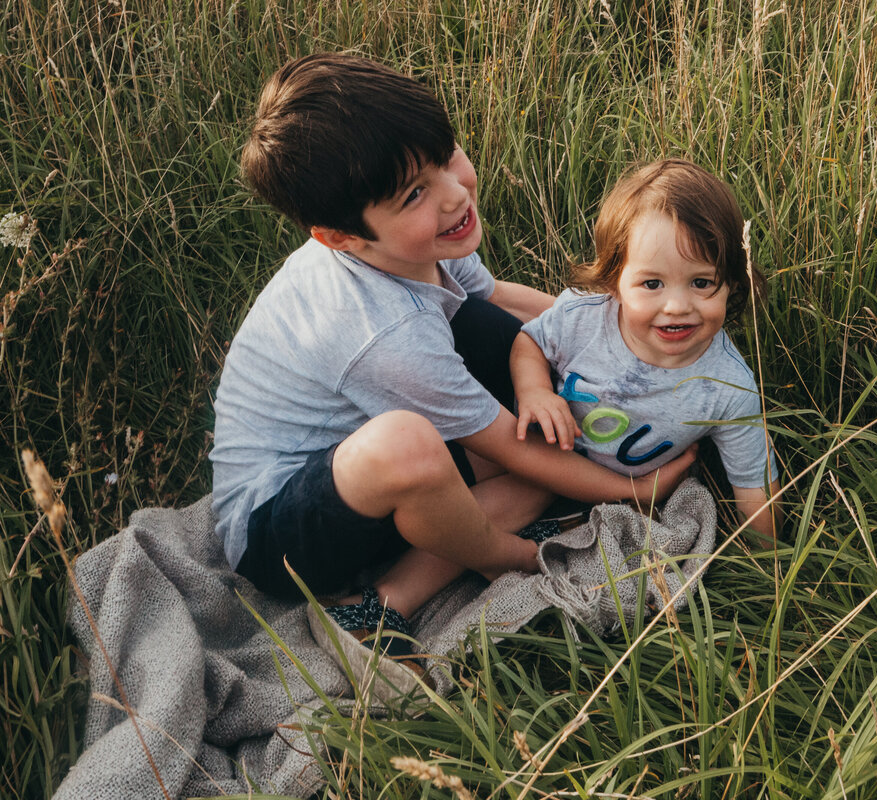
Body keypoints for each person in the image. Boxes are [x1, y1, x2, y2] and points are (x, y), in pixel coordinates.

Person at [210, 54, 695, 657]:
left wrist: (618, 339)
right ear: (341, 237)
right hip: (282, 532)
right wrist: (631, 491)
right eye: (415, 193)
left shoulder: (421, 242)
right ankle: (517, 558)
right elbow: (504, 445)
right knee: (447, 445)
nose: (453, 193)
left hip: (373, 467)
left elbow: (505, 302)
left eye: (447, 158)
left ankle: (393, 591)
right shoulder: (380, 333)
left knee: (545, 430)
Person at [511, 159, 780, 538]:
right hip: (548, 463)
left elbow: (755, 488)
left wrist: (768, 567)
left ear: (733, 283)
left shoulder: (727, 386)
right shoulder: (583, 319)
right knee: (488, 511)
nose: (677, 306)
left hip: (636, 499)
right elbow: (529, 341)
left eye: (701, 282)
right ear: (614, 282)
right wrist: (534, 391)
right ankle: (398, 595)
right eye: (652, 284)